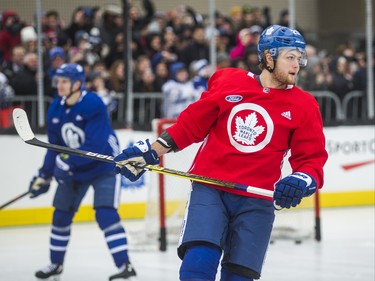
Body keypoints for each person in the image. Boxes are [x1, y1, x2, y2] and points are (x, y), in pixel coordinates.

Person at [113, 24, 328, 281]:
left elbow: (311, 159)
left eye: (299, 57)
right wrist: (151, 152)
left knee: (238, 277)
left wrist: (301, 180)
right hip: (211, 186)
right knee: (197, 267)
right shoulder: (230, 82)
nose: (297, 64)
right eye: (290, 57)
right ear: (269, 57)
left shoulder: (304, 105)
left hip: (256, 201)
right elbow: (192, 124)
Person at [28, 63, 136, 280]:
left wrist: (66, 162)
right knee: (60, 216)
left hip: (103, 165)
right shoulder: (55, 108)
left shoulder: (93, 104)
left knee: (105, 214)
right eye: (58, 81)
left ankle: (125, 266)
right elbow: (54, 147)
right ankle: (55, 264)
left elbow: (95, 147)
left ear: (77, 83)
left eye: (64, 81)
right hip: (75, 170)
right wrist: (44, 175)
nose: (60, 85)